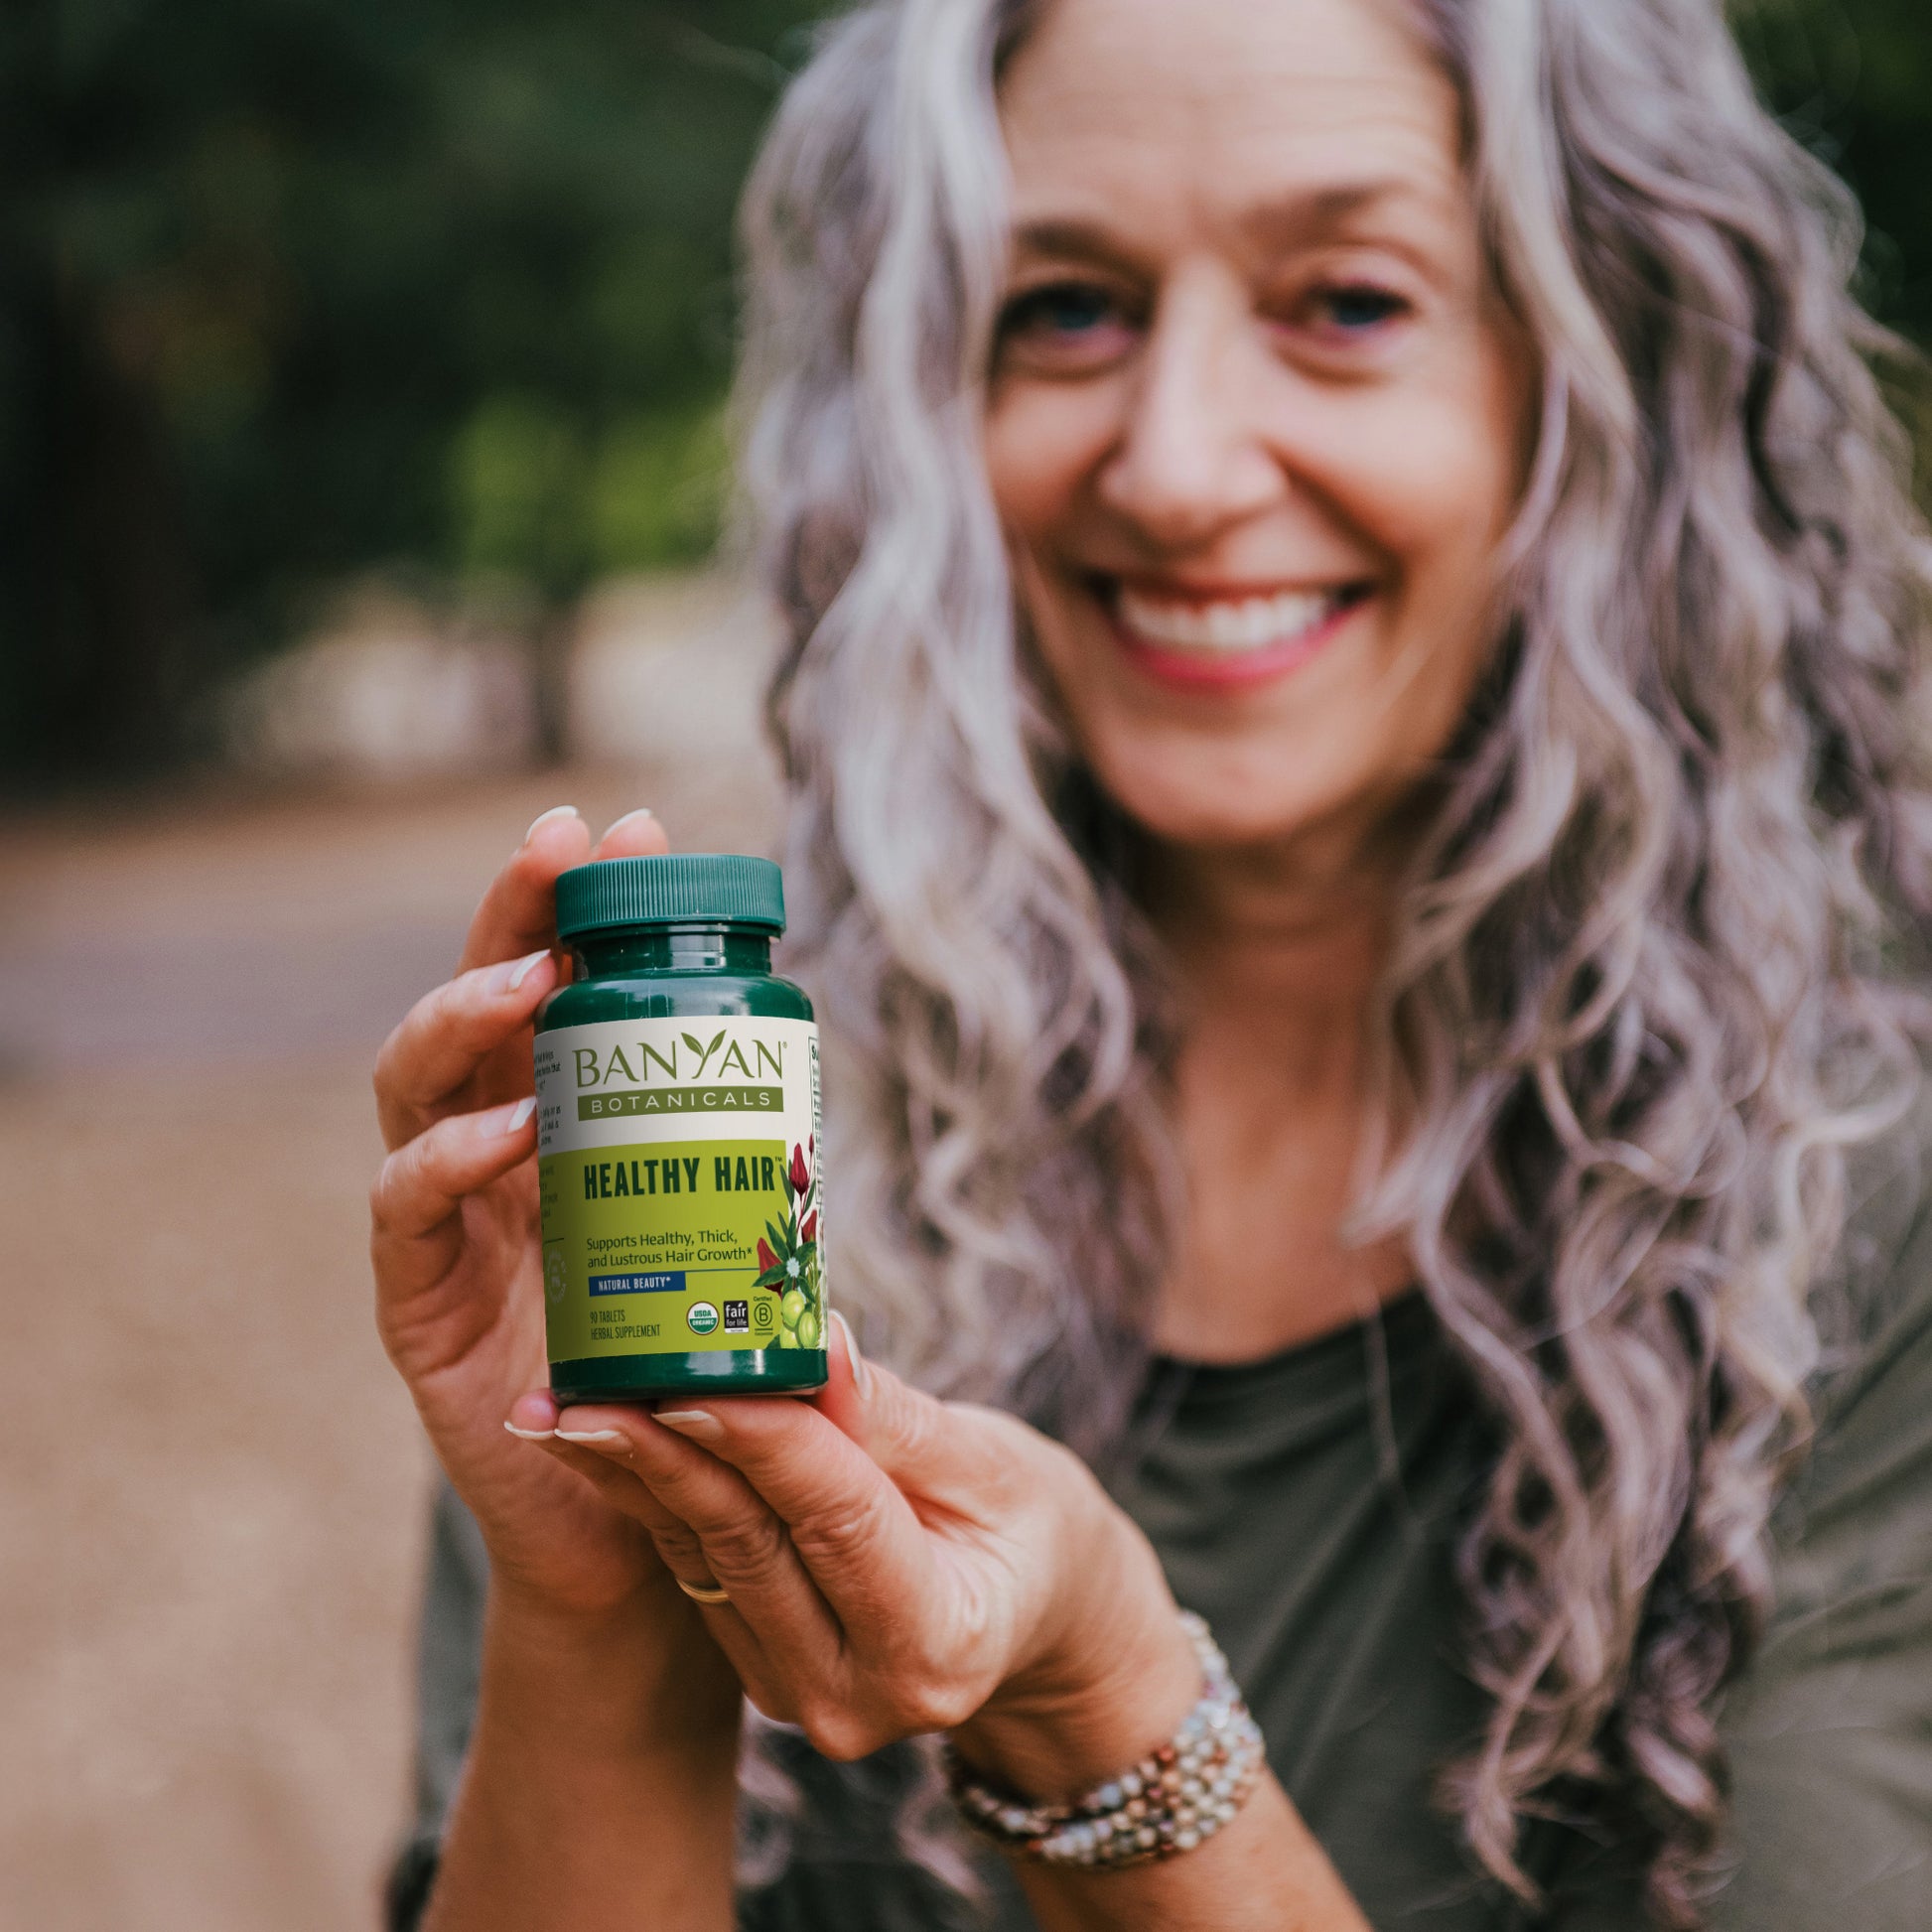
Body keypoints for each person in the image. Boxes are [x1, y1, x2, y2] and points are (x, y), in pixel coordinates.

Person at [368, 0, 1932, 1925]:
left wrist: (1112, 1707)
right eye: (1067, 310)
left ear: (1600, 383)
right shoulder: (702, 1158)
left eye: (1347, 302)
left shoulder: (1856, 1208)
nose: (1181, 468)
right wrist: (600, 1608)